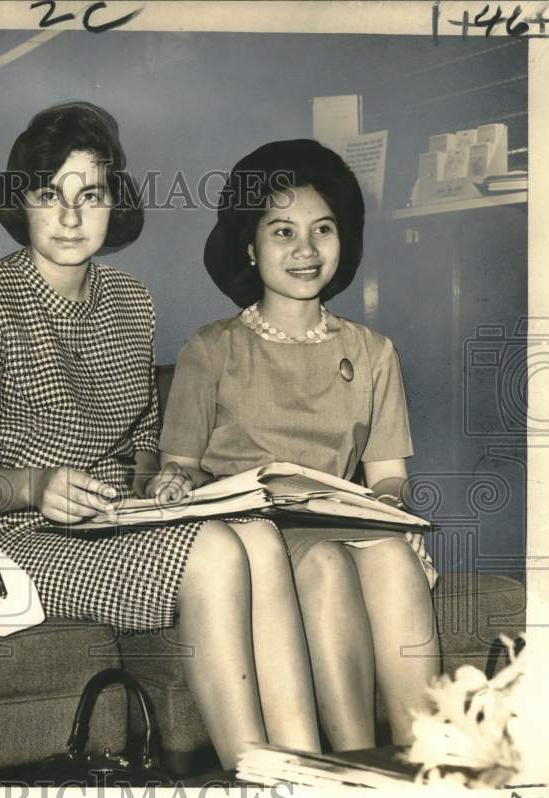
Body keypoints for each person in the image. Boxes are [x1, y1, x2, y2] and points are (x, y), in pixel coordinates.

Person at [0, 102, 321, 769]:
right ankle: (258, 778)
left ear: (115, 204)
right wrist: (36, 486)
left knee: (258, 534)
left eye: (92, 194)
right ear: (21, 201)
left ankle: (308, 773)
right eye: (50, 194)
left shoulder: (131, 300)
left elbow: (142, 428)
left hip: (114, 516)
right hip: (6, 535)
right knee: (216, 554)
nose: (71, 215)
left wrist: (157, 476)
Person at [158, 139, 440, 750]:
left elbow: (388, 477)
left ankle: (432, 766)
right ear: (249, 246)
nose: (306, 250)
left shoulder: (373, 352)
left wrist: (389, 503)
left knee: (392, 554)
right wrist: (174, 479)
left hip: (339, 519)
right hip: (250, 540)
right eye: (282, 231)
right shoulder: (209, 349)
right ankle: (354, 763)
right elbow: (177, 464)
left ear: (345, 240)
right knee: (326, 564)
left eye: (323, 230)